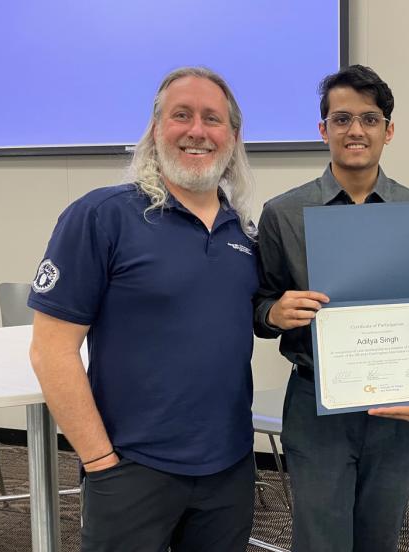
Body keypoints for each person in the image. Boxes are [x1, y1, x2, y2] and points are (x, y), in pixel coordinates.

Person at [28, 67, 258, 551]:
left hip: (229, 470)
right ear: (156, 130)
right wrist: (98, 461)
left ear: (232, 137)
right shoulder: (101, 215)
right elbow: (52, 349)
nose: (197, 130)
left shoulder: (246, 234)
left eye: (212, 119)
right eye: (181, 115)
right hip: (130, 469)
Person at [253, 64, 409, 552]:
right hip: (317, 405)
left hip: (394, 409)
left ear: (388, 130)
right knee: (320, 540)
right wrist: (274, 313)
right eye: (341, 119)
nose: (355, 130)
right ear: (323, 130)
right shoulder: (284, 214)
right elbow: (259, 305)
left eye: (369, 118)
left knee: (381, 535)